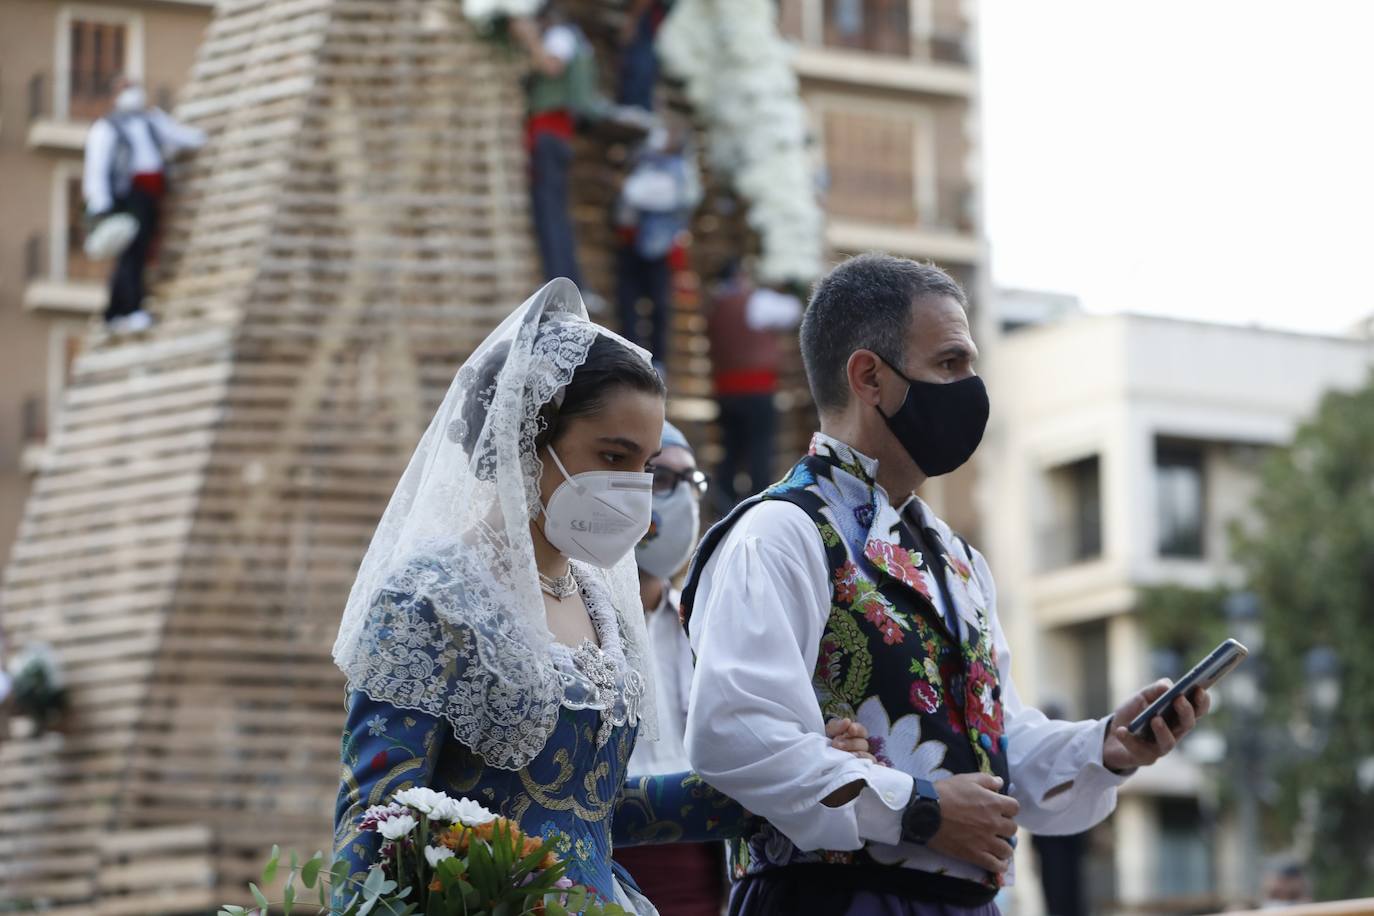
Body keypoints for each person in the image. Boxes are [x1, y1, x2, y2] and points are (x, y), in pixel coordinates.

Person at [681, 253, 1212, 915]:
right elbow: (734, 733)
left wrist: (1103, 747)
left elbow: (996, 744)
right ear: (870, 377)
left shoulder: (955, 556)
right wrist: (922, 810)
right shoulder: (779, 533)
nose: (970, 388)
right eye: (950, 364)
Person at [332, 279, 873, 913]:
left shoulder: (600, 605)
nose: (635, 495)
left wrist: (800, 774)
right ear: (525, 440)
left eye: (644, 467)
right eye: (612, 456)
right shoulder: (431, 600)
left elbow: (597, 811)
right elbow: (372, 832)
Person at [614, 422, 726, 916]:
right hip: (604, 872)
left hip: (702, 878)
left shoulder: (704, 625)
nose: (679, 498)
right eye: (660, 479)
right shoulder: (572, 624)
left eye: (690, 481)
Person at [82, 75, 206, 333]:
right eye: (126, 89)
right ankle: (127, 309)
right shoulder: (107, 127)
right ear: (116, 95)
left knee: (142, 251)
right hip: (128, 196)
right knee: (131, 254)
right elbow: (97, 168)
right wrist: (101, 205)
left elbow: (177, 135)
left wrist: (203, 137)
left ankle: (120, 311)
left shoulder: (150, 119)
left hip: (151, 194)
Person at [511, 5, 607, 293]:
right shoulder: (575, 39)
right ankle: (567, 277)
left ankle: (561, 279)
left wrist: (527, 37)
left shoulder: (562, 36)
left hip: (549, 135)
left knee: (550, 212)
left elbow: (551, 65)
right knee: (555, 211)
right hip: (555, 136)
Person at [704, 260, 802, 510]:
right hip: (757, 390)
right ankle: (759, 504)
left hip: (726, 392)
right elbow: (793, 310)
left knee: (731, 451)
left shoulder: (716, 306)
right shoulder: (757, 301)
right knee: (760, 451)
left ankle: (724, 505)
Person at [614, 118, 700, 370]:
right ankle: (630, 354)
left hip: (657, 246)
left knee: (658, 305)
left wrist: (629, 188)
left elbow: (639, 194)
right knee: (628, 302)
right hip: (632, 242)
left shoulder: (678, 170)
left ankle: (657, 361)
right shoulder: (646, 162)